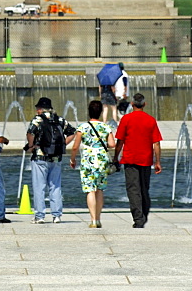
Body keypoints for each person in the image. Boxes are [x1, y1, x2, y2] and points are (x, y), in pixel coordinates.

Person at [24, 97, 76, 224]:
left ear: (40, 109)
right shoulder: (59, 119)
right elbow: (72, 132)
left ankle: (40, 216)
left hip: (40, 157)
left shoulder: (38, 119)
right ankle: (57, 215)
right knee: (55, 186)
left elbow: (30, 132)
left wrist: (31, 146)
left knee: (39, 187)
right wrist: (63, 144)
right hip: (56, 158)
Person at [114, 93, 162, 228]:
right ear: (145, 104)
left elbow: (120, 141)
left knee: (133, 189)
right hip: (146, 159)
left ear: (132, 104)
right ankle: (143, 216)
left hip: (130, 159)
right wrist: (157, 161)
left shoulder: (126, 119)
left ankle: (138, 218)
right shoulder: (151, 120)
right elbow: (156, 143)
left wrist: (115, 157)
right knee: (144, 189)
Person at [69, 100, 116, 228]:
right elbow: (112, 144)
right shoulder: (106, 127)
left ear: (89, 112)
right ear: (101, 112)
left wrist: (73, 159)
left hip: (88, 159)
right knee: (100, 189)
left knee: (90, 189)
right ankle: (99, 218)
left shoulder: (83, 127)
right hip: (101, 159)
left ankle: (93, 220)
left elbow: (75, 146)